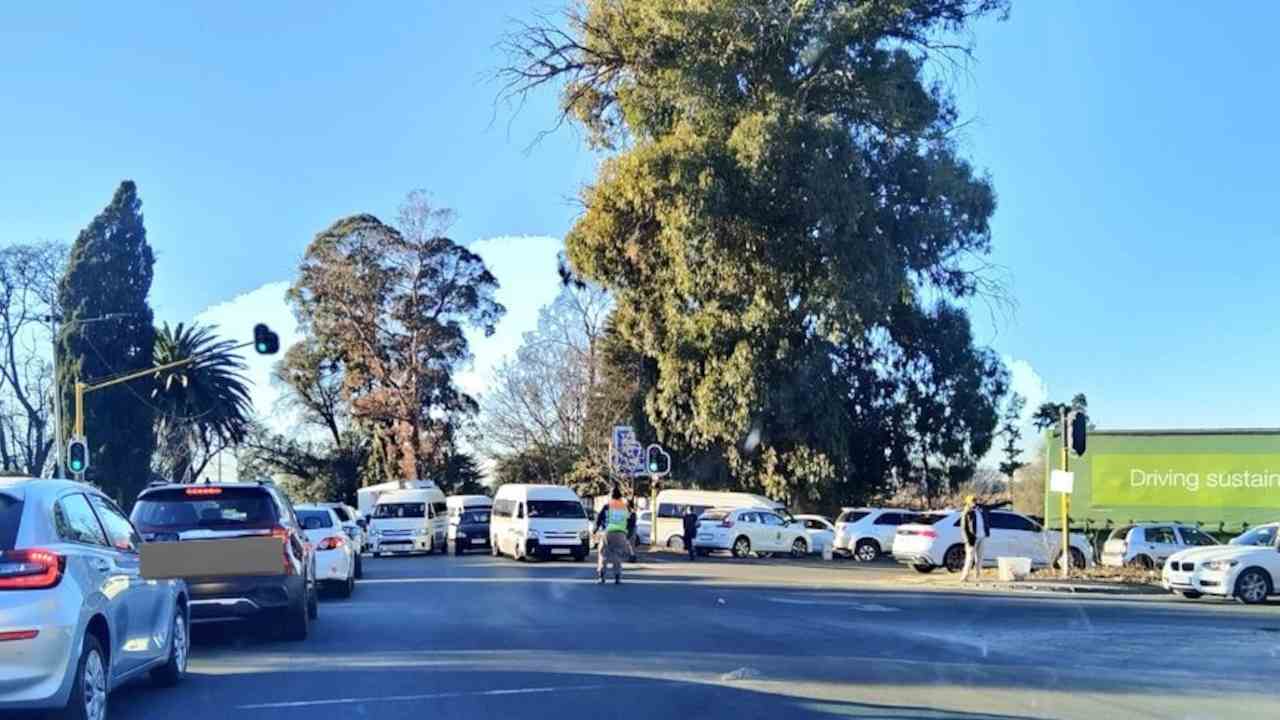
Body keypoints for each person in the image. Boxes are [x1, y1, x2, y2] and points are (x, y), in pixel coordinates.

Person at [596, 485, 630, 584]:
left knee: (603, 554)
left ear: (611, 495)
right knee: (617, 555)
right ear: (620, 496)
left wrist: (595, 529)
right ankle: (617, 577)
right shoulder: (624, 507)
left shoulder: (607, 506)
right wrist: (628, 534)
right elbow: (629, 520)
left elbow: (599, 518)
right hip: (621, 533)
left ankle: (601, 576)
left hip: (608, 532)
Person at [959, 495, 990, 582]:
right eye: (973, 501)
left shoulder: (981, 508)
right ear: (968, 502)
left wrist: (1005, 502)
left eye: (975, 500)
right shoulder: (967, 512)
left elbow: (992, 506)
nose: (975, 502)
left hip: (982, 536)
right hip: (972, 539)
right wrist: (967, 540)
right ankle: (964, 576)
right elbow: (963, 528)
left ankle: (977, 576)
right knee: (970, 558)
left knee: (979, 558)